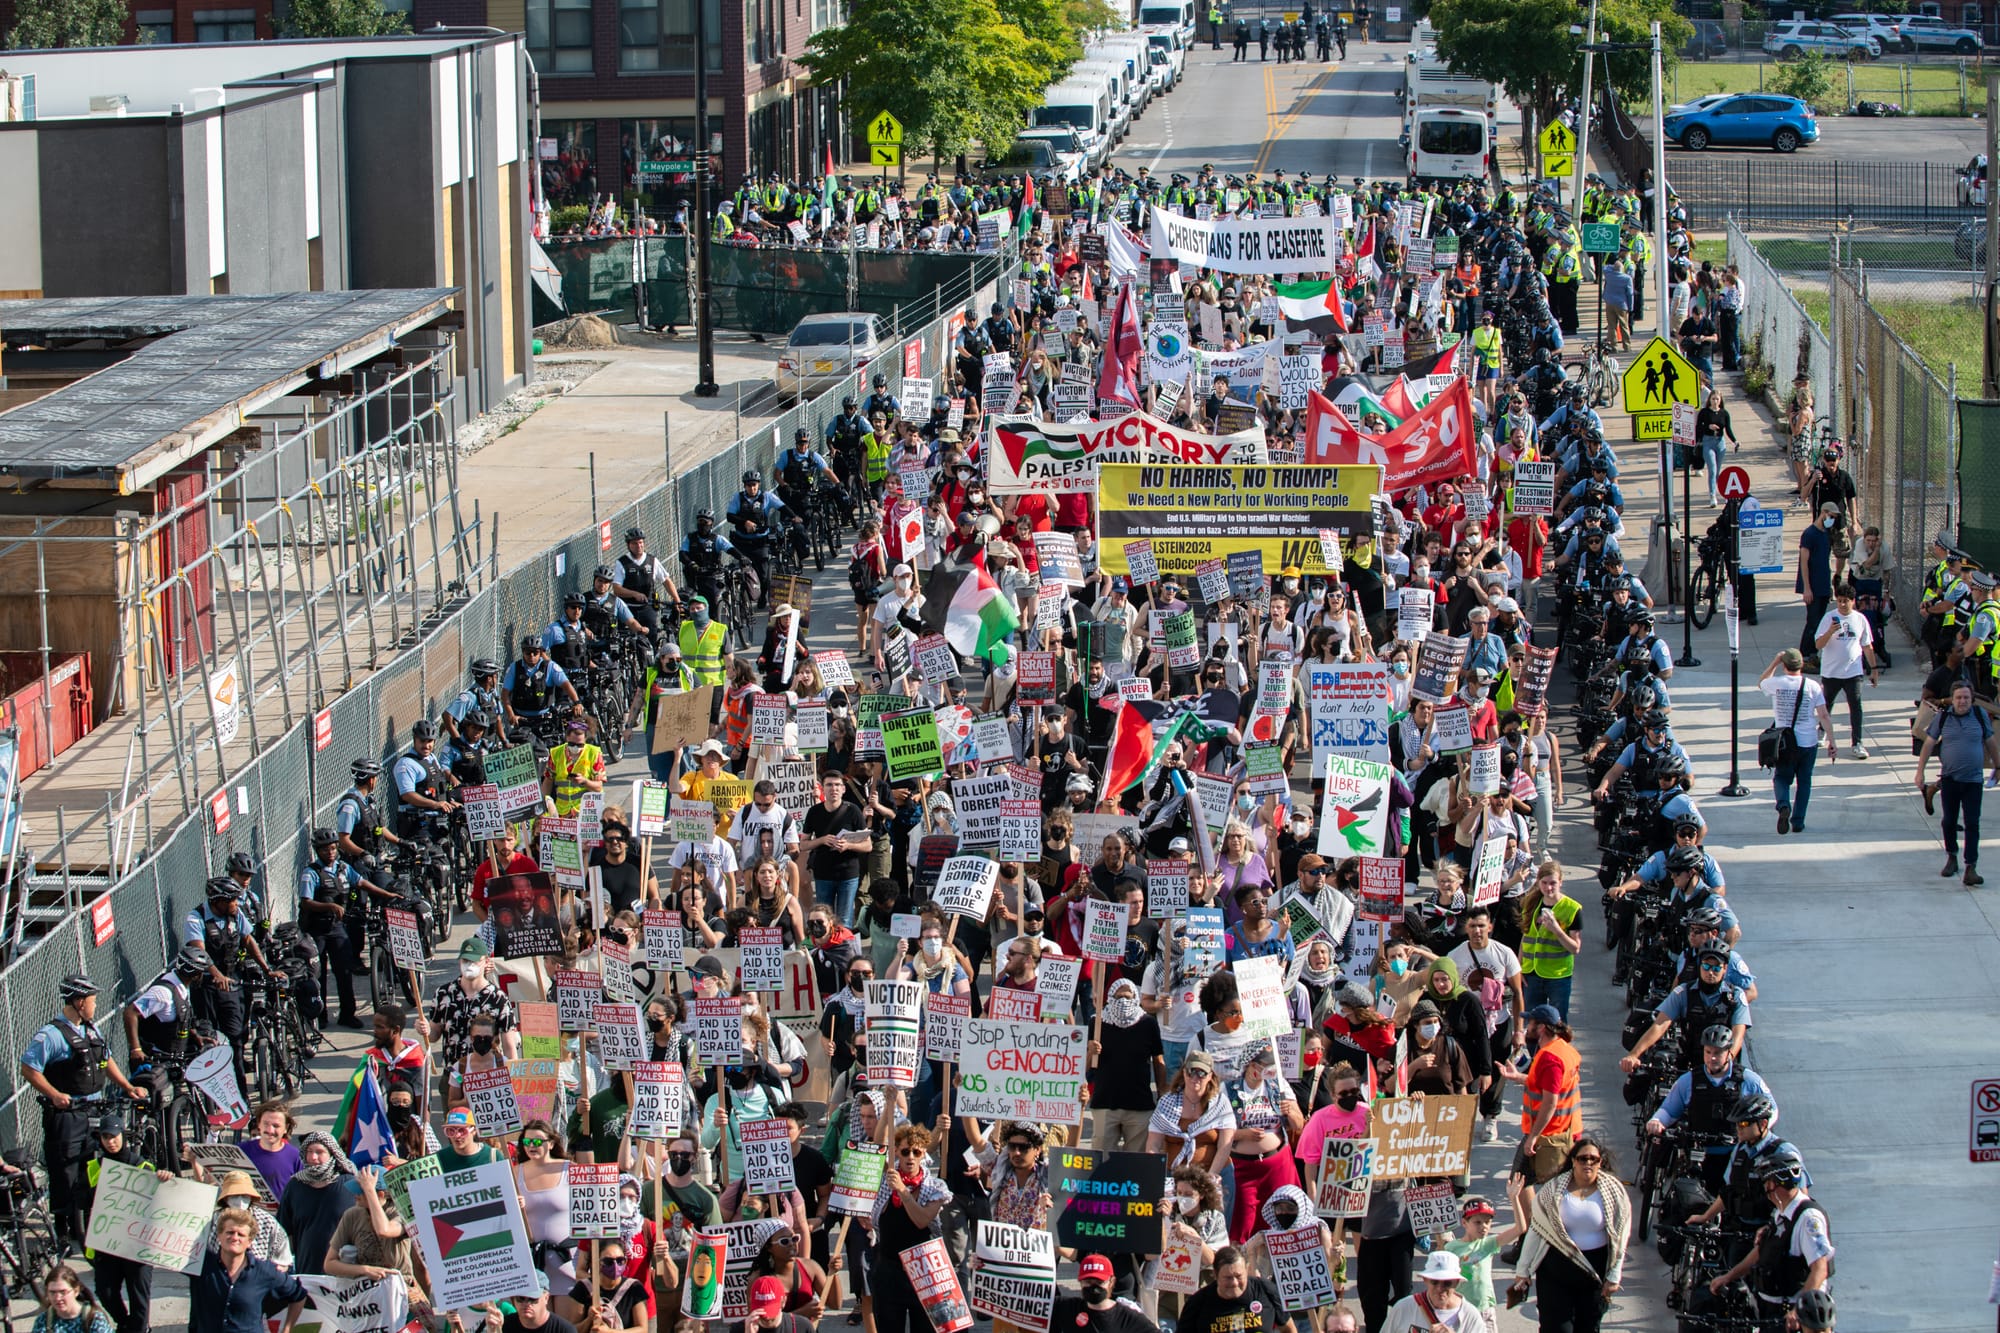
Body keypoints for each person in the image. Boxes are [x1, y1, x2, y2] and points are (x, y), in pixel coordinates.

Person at [20, 974, 148, 1250]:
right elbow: (29, 1068)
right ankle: (63, 1227)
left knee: (94, 1166)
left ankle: (91, 1221)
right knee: (64, 1169)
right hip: (67, 1115)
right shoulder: (51, 1035)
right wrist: (54, 1095)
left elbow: (106, 1060)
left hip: (94, 1109)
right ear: (79, 1002)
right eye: (92, 1000)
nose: (94, 1005)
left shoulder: (91, 1029)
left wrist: (127, 1086)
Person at [1510, 1136, 1630, 1333]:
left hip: (1594, 1272)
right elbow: (1536, 1231)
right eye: (1583, 1158)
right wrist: (1522, 1271)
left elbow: (1621, 1237)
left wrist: (1614, 1275)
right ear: (1573, 1160)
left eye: (1594, 1159)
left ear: (1601, 1162)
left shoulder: (1615, 1193)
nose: (1588, 1163)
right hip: (1555, 1270)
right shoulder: (1553, 1191)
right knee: (1556, 1328)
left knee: (1588, 1327)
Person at [1704, 1145, 1832, 1329]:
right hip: (1770, 1310)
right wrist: (1729, 1276)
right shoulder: (1781, 1213)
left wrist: (1798, 1310)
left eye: (1766, 1182)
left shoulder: (1807, 1219)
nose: (1765, 1188)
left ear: (1774, 1184)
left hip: (1791, 1319)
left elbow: (1820, 1269)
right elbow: (1760, 1251)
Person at [1916, 678, 2000, 885]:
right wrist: (1920, 772)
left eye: (1966, 698)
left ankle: (1971, 867)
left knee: (1972, 823)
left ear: (1972, 699)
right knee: (1949, 821)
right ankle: (1952, 857)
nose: (1962, 701)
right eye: (1959, 698)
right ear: (1952, 700)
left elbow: (1991, 742)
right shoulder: (1943, 718)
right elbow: (1928, 744)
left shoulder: (1980, 716)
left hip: (1973, 781)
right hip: (1950, 779)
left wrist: (1999, 767)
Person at [81, 1114, 152, 1333]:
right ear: (100, 1139)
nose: (111, 1141)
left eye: (115, 1136)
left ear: (124, 1135)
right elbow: (80, 1201)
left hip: (135, 1243)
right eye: (106, 1137)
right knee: (106, 1292)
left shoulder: (142, 1165)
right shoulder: (93, 1167)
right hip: (107, 1242)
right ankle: (124, 1323)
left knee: (139, 1299)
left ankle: (139, 1329)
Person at [1497, 1005, 1580, 1187]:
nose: (1527, 1026)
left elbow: (1550, 1102)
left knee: (1520, 1184)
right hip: (1559, 1131)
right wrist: (1518, 1077)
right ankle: (1530, 1216)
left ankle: (1531, 1216)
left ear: (1541, 1028)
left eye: (1531, 1022)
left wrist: (1533, 1137)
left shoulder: (1550, 1059)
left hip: (1548, 1134)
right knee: (1523, 1182)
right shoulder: (1564, 1049)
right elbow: (1548, 1086)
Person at [189, 1208, 307, 1333]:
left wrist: (287, 1329)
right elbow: (169, 1255)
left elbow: (299, 1295)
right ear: (219, 1236)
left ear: (249, 1241)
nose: (235, 1237)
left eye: (241, 1234)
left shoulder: (265, 1271)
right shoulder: (201, 1265)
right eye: (230, 1232)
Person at [1758, 649, 1835, 837]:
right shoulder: (1813, 686)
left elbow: (1761, 682)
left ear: (1785, 665)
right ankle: (1798, 821)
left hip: (1785, 742)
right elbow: (1823, 715)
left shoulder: (1776, 683)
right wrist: (1832, 741)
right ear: (1802, 665)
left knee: (1781, 778)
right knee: (1805, 781)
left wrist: (1774, 662)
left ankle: (1784, 804)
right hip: (1808, 741)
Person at [1813, 582, 1878, 760]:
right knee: (1825, 705)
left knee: (1856, 706)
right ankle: (1822, 731)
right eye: (1839, 601)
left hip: (1853, 673)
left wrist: (1873, 669)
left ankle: (1857, 743)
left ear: (1853, 601)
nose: (1842, 604)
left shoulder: (1860, 619)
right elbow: (1818, 644)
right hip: (1831, 672)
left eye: (1846, 601)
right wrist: (1829, 632)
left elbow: (1867, 645)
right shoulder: (1829, 618)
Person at [1176, 1246, 1295, 1333]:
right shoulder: (1198, 1302)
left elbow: (1288, 1329)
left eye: (1239, 1276)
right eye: (1227, 1278)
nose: (1234, 1283)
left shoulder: (1265, 1289)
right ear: (1215, 1275)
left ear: (1246, 1271)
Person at [1051, 1253, 1158, 1333]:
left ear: (1111, 1282)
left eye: (1099, 1282)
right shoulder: (1066, 1308)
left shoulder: (1127, 1318)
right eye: (1088, 1282)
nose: (1093, 1287)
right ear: (1080, 1281)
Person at [1382, 1251, 1472, 1333]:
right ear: (1425, 1280)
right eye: (1434, 1282)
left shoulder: (1470, 1316)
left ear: (1456, 1283)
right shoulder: (1403, 1307)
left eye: (1447, 1283)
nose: (1440, 1288)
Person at [30, 1265, 112, 1333]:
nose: (57, 1298)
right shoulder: (43, 1320)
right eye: (52, 1292)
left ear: (76, 1291)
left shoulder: (94, 1319)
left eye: (63, 1292)